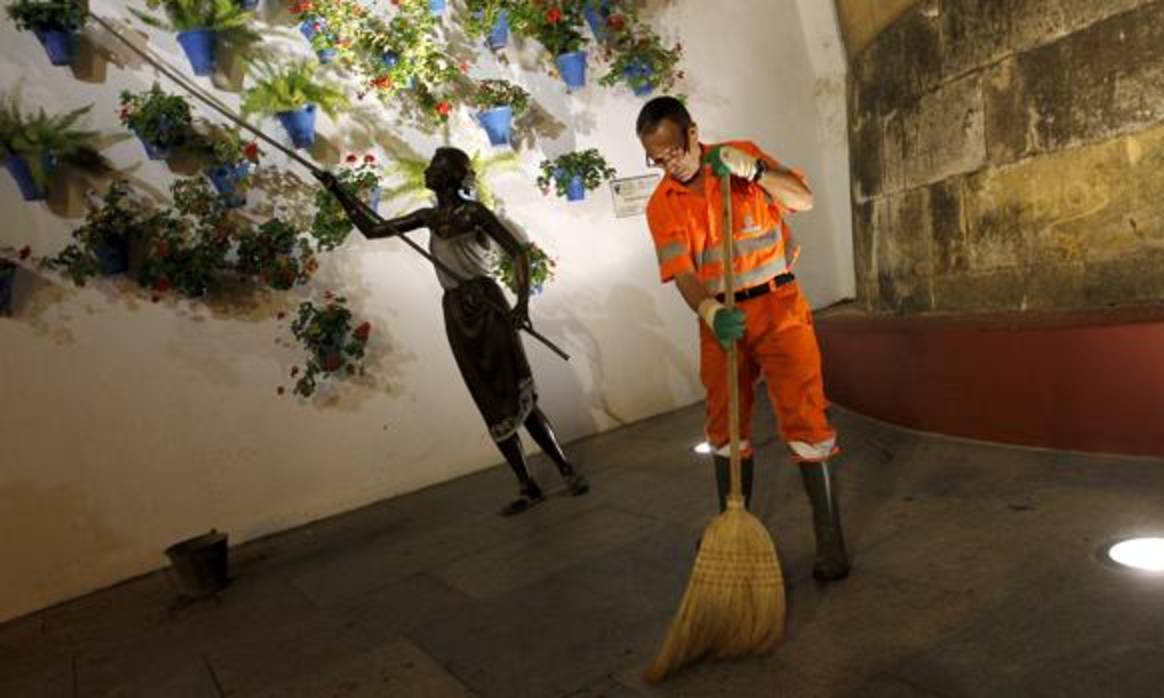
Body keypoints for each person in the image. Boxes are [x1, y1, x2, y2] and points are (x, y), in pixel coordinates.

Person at [635, 96, 849, 583]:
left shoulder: (739, 156)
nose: (669, 165)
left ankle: (830, 533)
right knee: (724, 424)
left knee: (805, 416)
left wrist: (754, 172)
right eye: (656, 159)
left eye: (673, 151)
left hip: (779, 309)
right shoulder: (661, 205)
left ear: (693, 132)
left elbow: (803, 200)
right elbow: (684, 272)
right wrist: (709, 311)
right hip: (723, 322)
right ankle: (733, 524)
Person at [314, 147, 589, 516]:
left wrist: (521, 304)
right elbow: (373, 229)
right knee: (489, 400)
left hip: (486, 304)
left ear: (454, 175)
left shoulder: (473, 213)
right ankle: (526, 484)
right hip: (457, 311)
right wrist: (337, 190)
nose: (428, 171)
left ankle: (565, 468)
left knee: (516, 391)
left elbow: (517, 253)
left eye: (437, 166)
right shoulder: (428, 217)